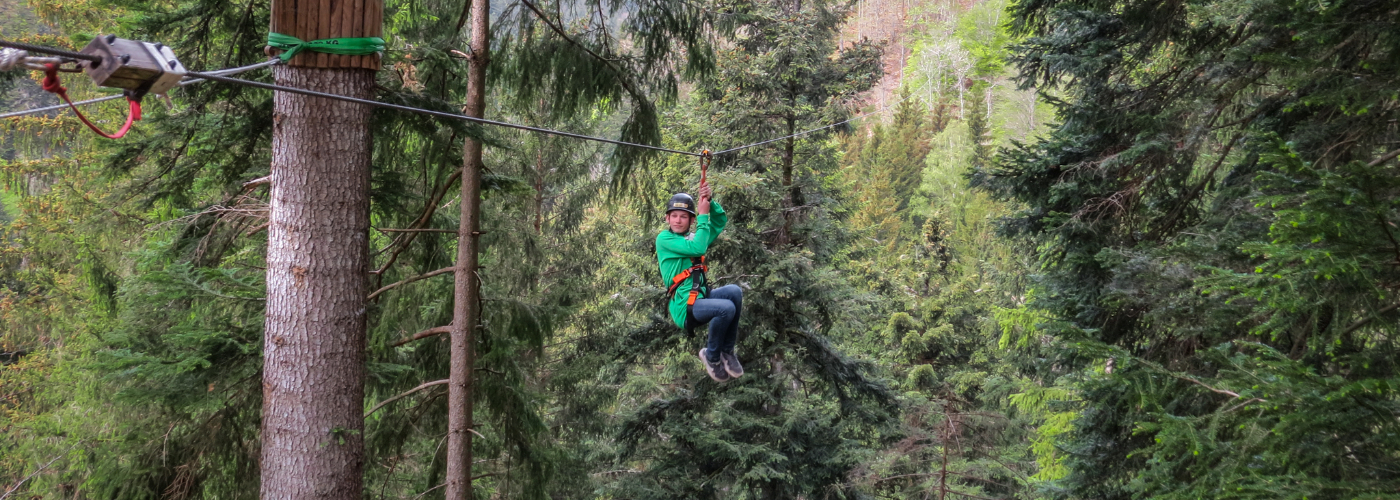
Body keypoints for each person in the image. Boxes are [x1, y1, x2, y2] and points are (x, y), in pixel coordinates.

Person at [656, 182, 744, 382]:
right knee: (726, 308)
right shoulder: (664, 239)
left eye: (684, 216)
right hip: (684, 306)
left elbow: (719, 222)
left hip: (700, 298)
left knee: (734, 292)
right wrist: (703, 216)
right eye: (674, 216)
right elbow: (698, 249)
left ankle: (727, 351)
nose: (678, 220)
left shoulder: (696, 237)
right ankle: (711, 356)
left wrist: (710, 202)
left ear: (691, 220)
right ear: (667, 218)